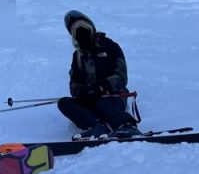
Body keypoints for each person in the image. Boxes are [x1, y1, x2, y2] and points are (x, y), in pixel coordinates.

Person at [57, 11, 142, 139]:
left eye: (83, 28)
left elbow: (121, 76)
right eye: (76, 31)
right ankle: (96, 127)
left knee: (101, 101)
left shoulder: (109, 46)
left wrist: (102, 86)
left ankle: (126, 125)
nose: (81, 33)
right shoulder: (78, 56)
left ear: (91, 28)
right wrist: (83, 92)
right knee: (63, 103)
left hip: (112, 98)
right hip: (90, 102)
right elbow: (74, 85)